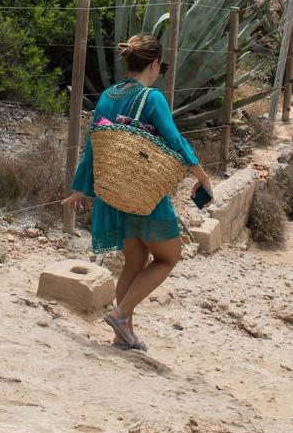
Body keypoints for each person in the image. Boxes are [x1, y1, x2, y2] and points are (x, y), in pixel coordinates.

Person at [63, 34, 216, 352]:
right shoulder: (153, 98)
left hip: (114, 191)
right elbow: (174, 139)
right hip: (143, 195)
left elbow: (95, 144)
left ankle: (123, 335)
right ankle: (120, 314)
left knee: (135, 260)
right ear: (155, 63)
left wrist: (81, 187)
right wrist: (201, 176)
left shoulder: (107, 95)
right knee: (168, 257)